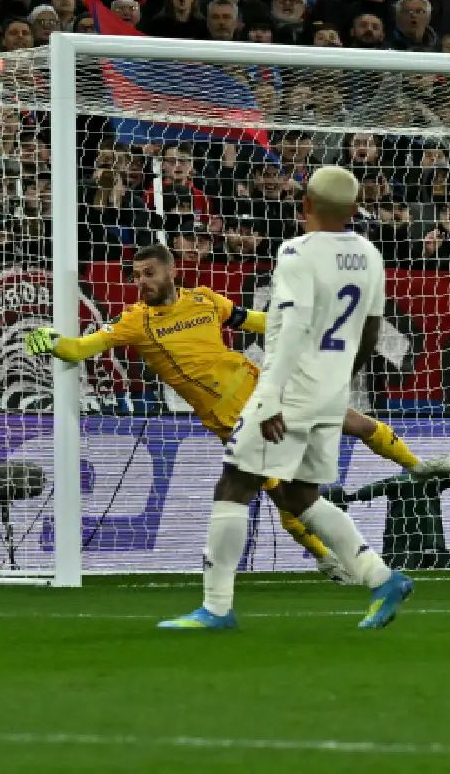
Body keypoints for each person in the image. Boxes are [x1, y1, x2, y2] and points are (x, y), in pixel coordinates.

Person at [26, 240, 450, 585]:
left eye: (150, 273)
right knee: (281, 491)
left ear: (171, 270)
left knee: (347, 417)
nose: (142, 282)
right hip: (230, 416)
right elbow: (81, 347)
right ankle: (324, 557)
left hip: (261, 384)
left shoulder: (204, 300)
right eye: (137, 276)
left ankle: (417, 466)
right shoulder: (133, 322)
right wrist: (51, 340)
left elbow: (251, 321)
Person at [160, 167, 414, 630]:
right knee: (300, 494)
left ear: (307, 207)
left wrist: (272, 397)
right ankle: (381, 577)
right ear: (355, 211)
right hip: (329, 391)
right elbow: (372, 331)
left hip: (290, 388)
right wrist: (338, 381)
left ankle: (216, 609)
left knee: (235, 484)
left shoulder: (296, 251)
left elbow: (293, 328)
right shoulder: (370, 254)